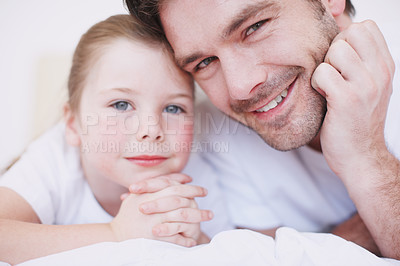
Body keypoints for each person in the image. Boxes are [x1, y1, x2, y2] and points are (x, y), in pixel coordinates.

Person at [125, 0, 400, 259]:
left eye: (254, 28)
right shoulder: (216, 134)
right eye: (205, 62)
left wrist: (365, 157)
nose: (239, 87)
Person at [0, 14, 233, 265]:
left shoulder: (197, 174)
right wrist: (116, 233)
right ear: (73, 124)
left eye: (174, 108)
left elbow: (228, 251)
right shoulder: (54, 160)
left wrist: (197, 241)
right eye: (121, 104)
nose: (151, 129)